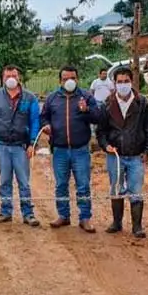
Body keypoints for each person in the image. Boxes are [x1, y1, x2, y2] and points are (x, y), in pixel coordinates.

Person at [95, 68, 148, 239]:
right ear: (114, 83)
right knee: (116, 188)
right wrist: (105, 145)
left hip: (136, 156)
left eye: (126, 81)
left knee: (136, 190)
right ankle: (117, 223)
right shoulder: (107, 104)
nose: (123, 85)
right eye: (119, 82)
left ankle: (137, 226)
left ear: (131, 82)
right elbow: (101, 131)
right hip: (115, 155)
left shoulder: (142, 103)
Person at [40, 66, 102, 233]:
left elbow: (97, 117)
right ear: (60, 81)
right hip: (59, 149)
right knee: (61, 184)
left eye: (72, 78)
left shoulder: (86, 97)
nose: (69, 81)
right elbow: (43, 116)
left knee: (83, 185)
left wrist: (86, 110)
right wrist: (46, 126)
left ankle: (85, 218)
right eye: (65, 78)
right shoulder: (52, 98)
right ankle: (63, 215)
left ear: (77, 79)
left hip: (80, 149)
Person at [0, 65, 41, 227]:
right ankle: (6, 211)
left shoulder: (29, 98)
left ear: (19, 77)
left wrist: (32, 143)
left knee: (24, 182)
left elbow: (35, 121)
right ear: (3, 78)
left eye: (14, 76)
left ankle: (28, 213)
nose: (11, 79)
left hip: (21, 146)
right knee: (4, 180)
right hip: (1, 145)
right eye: (7, 76)